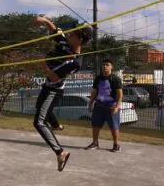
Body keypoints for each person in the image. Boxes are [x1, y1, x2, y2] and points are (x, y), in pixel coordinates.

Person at [32, 15, 93, 171]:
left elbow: (53, 77)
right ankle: (56, 124)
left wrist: (44, 65)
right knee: (39, 107)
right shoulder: (66, 41)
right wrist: (43, 21)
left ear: (80, 40)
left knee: (38, 122)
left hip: (54, 89)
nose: (69, 34)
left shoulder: (75, 62)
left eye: (74, 33)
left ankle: (60, 152)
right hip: (48, 86)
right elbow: (54, 30)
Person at [85, 58, 123, 152]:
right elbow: (94, 92)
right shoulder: (98, 78)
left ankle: (116, 144)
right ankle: (95, 143)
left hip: (111, 107)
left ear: (111, 67)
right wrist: (90, 103)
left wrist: (117, 107)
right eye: (104, 65)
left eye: (107, 65)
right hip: (99, 106)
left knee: (114, 127)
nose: (105, 66)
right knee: (95, 125)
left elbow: (120, 94)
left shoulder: (115, 79)